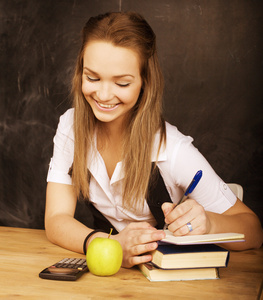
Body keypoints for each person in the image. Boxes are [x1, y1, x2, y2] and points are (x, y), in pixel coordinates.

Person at [45, 11, 262, 269]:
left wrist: (210, 222)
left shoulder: (173, 149)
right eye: (92, 77)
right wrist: (108, 245)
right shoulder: (71, 126)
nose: (103, 94)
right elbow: (56, 218)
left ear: (145, 83)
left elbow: (253, 230)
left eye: (122, 83)